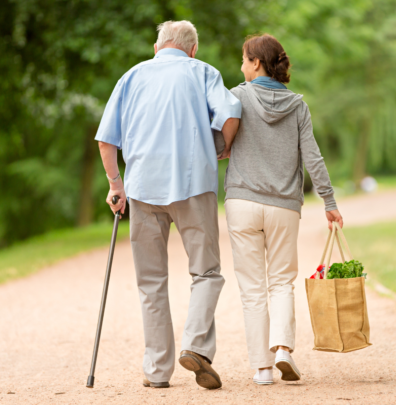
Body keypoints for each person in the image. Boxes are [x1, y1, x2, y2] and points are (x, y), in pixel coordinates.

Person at [95, 20, 241, 390]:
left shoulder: (131, 76)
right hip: (194, 185)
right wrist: (221, 148)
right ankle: (195, 346)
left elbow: (106, 141)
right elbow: (231, 114)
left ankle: (158, 371)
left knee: (151, 282)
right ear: (192, 49)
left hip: (143, 188)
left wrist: (116, 185)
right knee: (206, 273)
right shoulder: (204, 72)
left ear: (157, 46)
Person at [220, 34, 343, 385]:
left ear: (256, 63)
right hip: (284, 208)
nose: (241, 67)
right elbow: (313, 158)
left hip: (242, 202)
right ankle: (284, 350)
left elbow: (218, 142)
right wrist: (329, 202)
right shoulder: (298, 106)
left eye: (244, 60)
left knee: (252, 288)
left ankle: (261, 368)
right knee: (281, 283)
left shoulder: (237, 96)